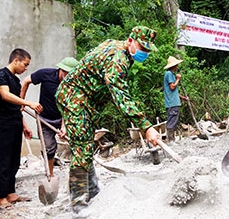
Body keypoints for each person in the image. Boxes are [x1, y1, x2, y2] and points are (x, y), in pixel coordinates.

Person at [55, 26, 162, 215]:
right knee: (82, 149)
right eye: (142, 48)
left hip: (86, 103)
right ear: (130, 41)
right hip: (74, 98)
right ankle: (79, 205)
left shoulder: (123, 52)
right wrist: (146, 126)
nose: (144, 53)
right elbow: (120, 96)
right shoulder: (118, 59)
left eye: (147, 50)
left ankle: (94, 191)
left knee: (86, 147)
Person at [20, 57, 79, 177]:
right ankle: (50, 175)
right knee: (49, 148)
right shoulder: (45, 74)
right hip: (44, 119)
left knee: (78, 142)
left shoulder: (73, 84)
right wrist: (22, 101)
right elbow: (26, 81)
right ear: (61, 69)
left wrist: (64, 126)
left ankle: (78, 173)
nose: (69, 77)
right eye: (67, 73)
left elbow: (68, 106)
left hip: (63, 117)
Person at [0, 49, 43, 209]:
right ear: (16, 60)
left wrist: (25, 125)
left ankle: (10, 192)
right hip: (3, 124)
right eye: (25, 64)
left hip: (15, 123)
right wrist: (29, 103)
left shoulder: (16, 81)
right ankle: (1, 196)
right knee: (3, 160)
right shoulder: (2, 75)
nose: (26, 69)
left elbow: (16, 108)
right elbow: (5, 95)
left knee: (14, 160)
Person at [163, 56, 188, 144]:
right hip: (172, 103)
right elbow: (172, 87)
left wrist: (182, 98)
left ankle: (172, 139)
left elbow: (174, 91)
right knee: (172, 121)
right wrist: (178, 79)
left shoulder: (171, 74)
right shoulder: (169, 74)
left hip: (174, 101)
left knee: (173, 120)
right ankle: (170, 140)